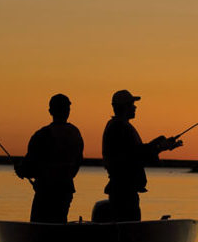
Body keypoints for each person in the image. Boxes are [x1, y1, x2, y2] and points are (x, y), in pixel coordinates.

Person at [101, 89, 182, 221]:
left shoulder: (119, 126)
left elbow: (137, 153)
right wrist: (160, 146)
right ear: (123, 107)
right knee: (128, 227)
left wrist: (161, 146)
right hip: (124, 191)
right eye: (131, 104)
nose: (135, 107)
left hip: (124, 190)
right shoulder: (119, 127)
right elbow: (134, 156)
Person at [15, 93, 85, 223]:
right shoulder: (75, 133)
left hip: (45, 192)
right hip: (66, 190)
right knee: (59, 223)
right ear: (68, 110)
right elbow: (78, 162)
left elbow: (29, 166)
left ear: (50, 111)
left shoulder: (42, 134)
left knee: (39, 226)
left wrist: (20, 170)